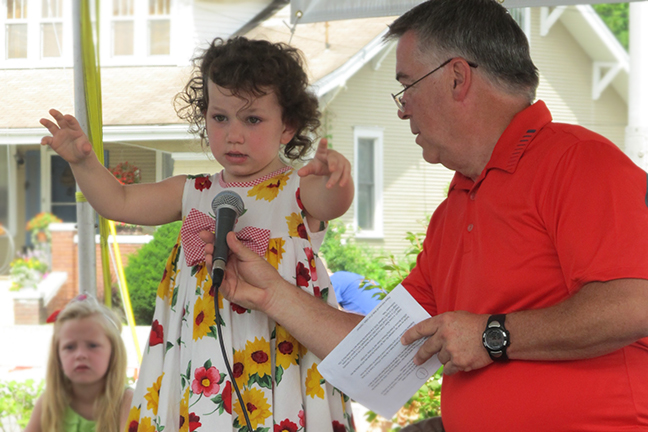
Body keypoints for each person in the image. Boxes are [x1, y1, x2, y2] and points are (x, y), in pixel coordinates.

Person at [205, 1, 648, 431]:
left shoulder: (580, 163)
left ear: (457, 77)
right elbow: (384, 353)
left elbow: (634, 305)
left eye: (407, 85)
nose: (402, 108)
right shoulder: (455, 208)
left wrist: (494, 335)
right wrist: (269, 293)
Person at [40, 37, 355, 431]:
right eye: (220, 118)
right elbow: (119, 202)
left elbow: (330, 204)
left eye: (252, 119)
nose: (233, 134)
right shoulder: (190, 191)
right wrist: (84, 162)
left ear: (287, 126)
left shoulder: (296, 187)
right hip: (201, 354)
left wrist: (335, 177)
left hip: (278, 349)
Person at [25, 294, 133, 432]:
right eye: (69, 347)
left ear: (114, 352)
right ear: (57, 356)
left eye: (92, 345)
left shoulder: (127, 402)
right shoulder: (49, 402)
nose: (80, 355)